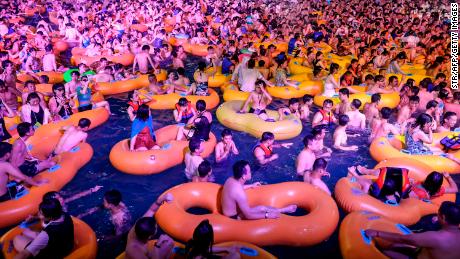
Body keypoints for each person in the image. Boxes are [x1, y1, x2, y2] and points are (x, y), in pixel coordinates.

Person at [364, 201, 460, 259]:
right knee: (395, 245)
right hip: (425, 253)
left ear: (443, 217)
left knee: (384, 251)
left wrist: (377, 233)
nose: (436, 216)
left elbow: (404, 239)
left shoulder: (436, 237)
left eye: (438, 214)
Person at [221, 160, 297, 220]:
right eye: (249, 172)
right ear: (244, 176)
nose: (251, 173)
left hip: (227, 212)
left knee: (261, 208)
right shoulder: (239, 193)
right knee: (262, 209)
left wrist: (251, 185)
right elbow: (249, 215)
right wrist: (267, 215)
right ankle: (284, 210)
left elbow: (236, 189)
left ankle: (283, 210)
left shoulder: (230, 179)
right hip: (233, 218)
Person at [124, 194, 174, 259]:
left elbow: (151, 210)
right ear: (149, 236)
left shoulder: (140, 225)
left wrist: (162, 199)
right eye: (156, 228)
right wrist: (157, 245)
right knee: (167, 244)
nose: (157, 227)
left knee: (168, 242)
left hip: (145, 254)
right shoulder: (134, 251)